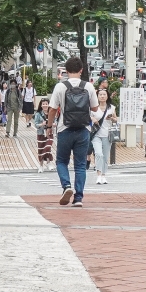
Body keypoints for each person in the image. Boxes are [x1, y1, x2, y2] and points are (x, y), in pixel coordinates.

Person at [46, 57, 99, 205]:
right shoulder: (88, 86)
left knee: (61, 161)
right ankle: (78, 198)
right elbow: (95, 108)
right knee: (80, 164)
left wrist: (49, 127)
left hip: (65, 129)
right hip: (83, 129)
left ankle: (66, 186)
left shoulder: (60, 87)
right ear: (81, 70)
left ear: (66, 71)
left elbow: (52, 110)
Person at [90, 88, 117, 185]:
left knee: (105, 156)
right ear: (97, 96)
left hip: (107, 135)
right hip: (96, 134)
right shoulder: (93, 108)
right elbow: (87, 117)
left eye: (104, 94)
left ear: (107, 96)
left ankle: (104, 175)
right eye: (100, 94)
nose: (102, 96)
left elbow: (115, 119)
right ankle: (98, 175)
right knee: (99, 154)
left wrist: (112, 118)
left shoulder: (111, 108)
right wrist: (92, 118)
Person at [34, 97, 54, 170]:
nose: (45, 105)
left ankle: (48, 163)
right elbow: (35, 124)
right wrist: (42, 124)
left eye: (46, 104)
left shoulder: (51, 113)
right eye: (43, 104)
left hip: (50, 133)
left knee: (48, 147)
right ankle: (41, 166)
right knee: (41, 149)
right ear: (41, 105)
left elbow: (55, 122)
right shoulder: (38, 114)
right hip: (41, 133)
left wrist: (53, 124)